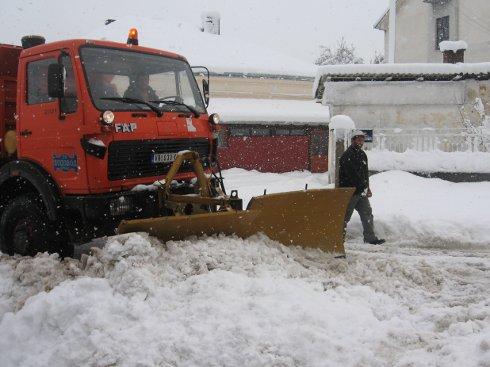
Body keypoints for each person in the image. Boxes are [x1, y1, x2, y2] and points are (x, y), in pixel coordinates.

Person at [339, 130, 385, 245]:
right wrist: (361, 186)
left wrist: (367, 187)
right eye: (358, 139)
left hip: (360, 191)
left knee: (367, 213)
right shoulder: (347, 155)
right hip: (350, 191)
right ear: (353, 140)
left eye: (362, 139)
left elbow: (365, 174)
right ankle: (338, 240)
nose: (361, 141)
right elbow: (352, 175)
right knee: (344, 217)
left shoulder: (362, 154)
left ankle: (370, 238)